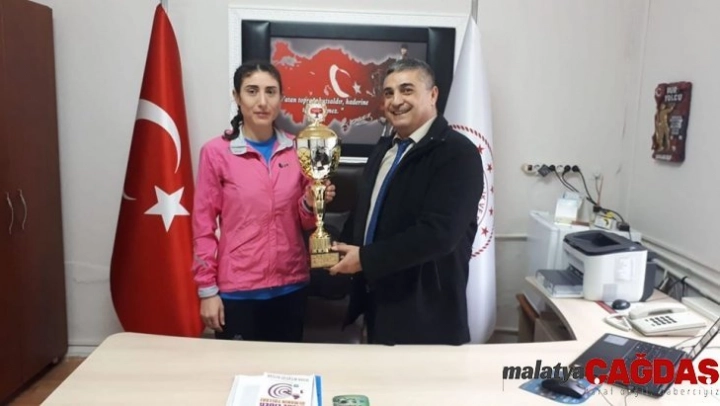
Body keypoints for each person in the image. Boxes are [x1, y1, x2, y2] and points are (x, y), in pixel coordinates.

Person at [329, 58, 484, 345]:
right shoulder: (385, 149)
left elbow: (439, 234)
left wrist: (365, 259)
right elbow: (367, 212)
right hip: (378, 303)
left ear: (433, 95)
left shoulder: (457, 153)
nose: (396, 101)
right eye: (389, 93)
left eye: (407, 90)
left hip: (427, 316)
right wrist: (333, 249)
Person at [192, 61, 336, 343]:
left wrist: (311, 202)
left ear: (281, 98)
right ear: (237, 97)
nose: (262, 101)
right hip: (238, 291)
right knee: (237, 369)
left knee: (287, 370)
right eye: (252, 91)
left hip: (291, 287)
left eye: (270, 92)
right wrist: (207, 290)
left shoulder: (298, 149)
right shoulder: (216, 153)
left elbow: (306, 222)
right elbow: (202, 227)